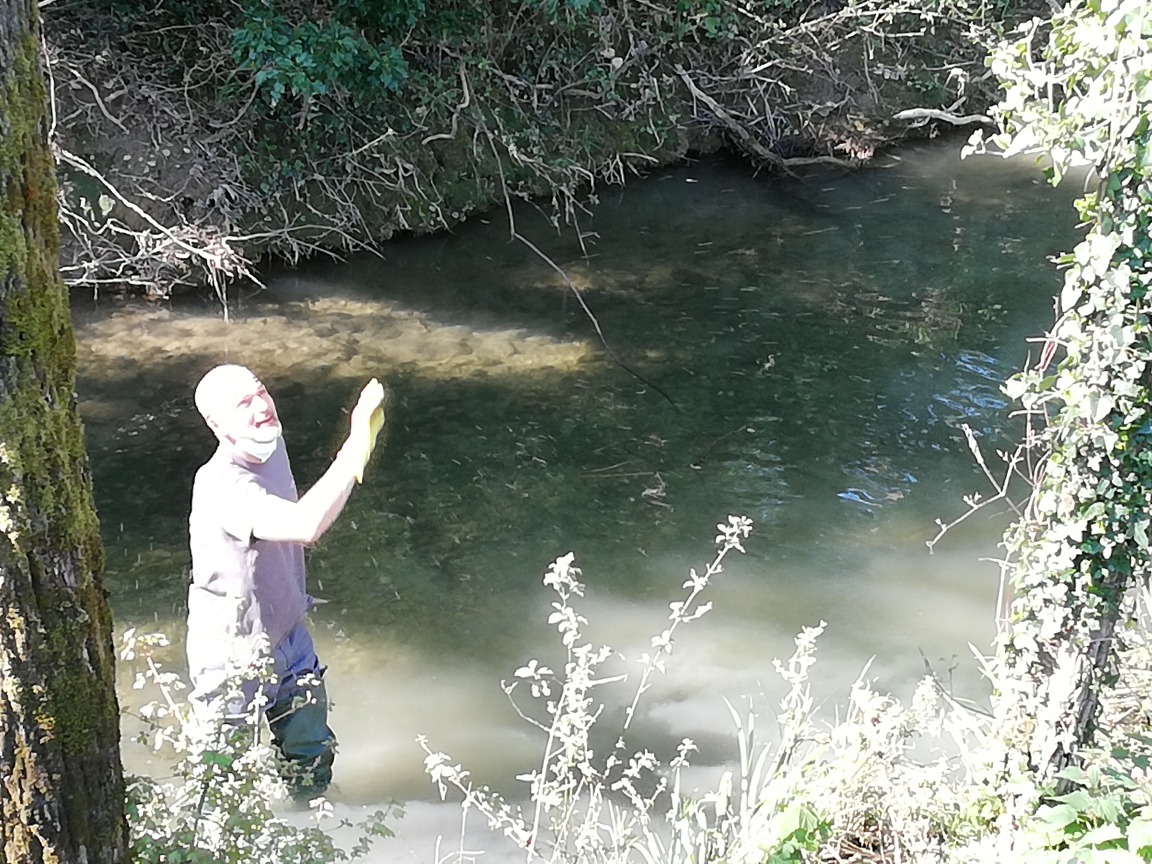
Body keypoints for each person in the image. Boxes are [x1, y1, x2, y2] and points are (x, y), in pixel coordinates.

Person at [186, 363, 385, 799]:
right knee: (218, 784)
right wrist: (355, 445)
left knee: (312, 758)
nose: (262, 406)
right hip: (232, 657)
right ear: (217, 426)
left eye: (260, 391)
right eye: (244, 403)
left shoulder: (271, 447)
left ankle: (312, 829)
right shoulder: (222, 485)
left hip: (291, 638)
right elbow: (305, 524)